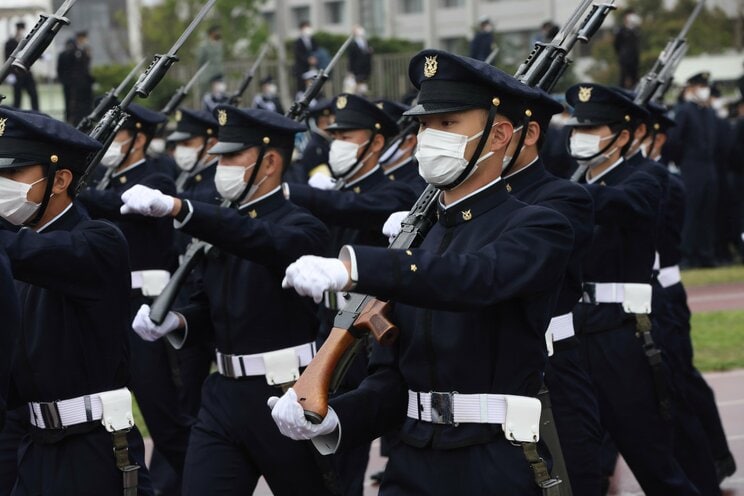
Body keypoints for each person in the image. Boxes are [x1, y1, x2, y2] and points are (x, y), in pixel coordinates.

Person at [271, 49, 575, 495]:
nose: (429, 136)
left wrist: (357, 265)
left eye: (447, 124)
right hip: (411, 462)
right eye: (424, 125)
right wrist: (334, 417)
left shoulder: (539, 225)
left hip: (494, 460)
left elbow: (473, 278)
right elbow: (395, 379)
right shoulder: (422, 240)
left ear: (500, 135)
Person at [118, 106, 335, 495]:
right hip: (223, 395)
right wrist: (177, 321)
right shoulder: (224, 224)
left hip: (285, 394)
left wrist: (181, 208)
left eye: (233, 156)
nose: (222, 165)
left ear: (269, 162)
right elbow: (209, 303)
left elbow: (257, 239)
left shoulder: (303, 228)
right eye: (219, 156)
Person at [0, 106, 153, 495]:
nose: (2, 183)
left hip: (95, 448)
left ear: (60, 179)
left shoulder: (98, 241)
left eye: (12, 173)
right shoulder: (20, 251)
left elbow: (29, 253)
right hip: (34, 444)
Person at [565, 83, 700, 495]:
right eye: (577, 128)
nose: (580, 135)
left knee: (651, 457)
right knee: (577, 461)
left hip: (626, 332)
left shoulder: (649, 177)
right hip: (574, 330)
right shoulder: (574, 181)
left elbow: (622, 205)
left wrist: (556, 195)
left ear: (623, 136)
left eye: (594, 128)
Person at [77, 104, 191, 496]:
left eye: (118, 138)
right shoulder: (105, 182)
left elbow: (122, 205)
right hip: (109, 305)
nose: (109, 147)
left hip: (146, 305)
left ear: (139, 139)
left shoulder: (156, 178)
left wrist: (81, 190)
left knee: (163, 416)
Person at [500, 91, 601, 496]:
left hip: (550, 368)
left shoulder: (562, 197)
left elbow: (509, 263)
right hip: (487, 373)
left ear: (529, 134)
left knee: (567, 479)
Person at [664, 72, 719, 268]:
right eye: (700, 86)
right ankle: (686, 255)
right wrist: (680, 161)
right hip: (691, 166)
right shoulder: (684, 111)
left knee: (707, 211)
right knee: (691, 212)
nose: (704, 90)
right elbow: (674, 140)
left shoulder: (710, 112)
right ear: (691, 88)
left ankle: (706, 254)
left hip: (709, 167)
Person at [375, 99, 426, 194]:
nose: (377, 144)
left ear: (409, 142)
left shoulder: (419, 184)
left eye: (387, 139)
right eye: (373, 139)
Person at [286, 99, 335, 184]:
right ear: (323, 121)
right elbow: (322, 182)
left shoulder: (324, 143)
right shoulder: (316, 148)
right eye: (332, 118)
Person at [60, 31, 95, 126]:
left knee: (86, 103)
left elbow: (86, 66)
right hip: (75, 83)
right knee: (74, 104)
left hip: (85, 83)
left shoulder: (85, 50)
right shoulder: (73, 51)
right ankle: (73, 121)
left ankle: (87, 119)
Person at [4, 22, 39, 111]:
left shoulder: (28, 41)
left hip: (26, 72)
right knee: (17, 97)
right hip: (16, 73)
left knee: (33, 94)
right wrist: (9, 74)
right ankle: (16, 115)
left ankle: (36, 113)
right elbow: (7, 58)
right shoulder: (10, 42)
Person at [613, 10, 641, 89]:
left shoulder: (635, 31)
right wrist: (622, 54)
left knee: (635, 78)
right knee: (623, 77)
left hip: (634, 59)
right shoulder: (621, 31)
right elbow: (616, 44)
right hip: (625, 58)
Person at [196, 25, 224, 96]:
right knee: (207, 96)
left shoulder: (220, 45)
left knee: (220, 95)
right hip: (207, 77)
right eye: (216, 31)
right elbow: (200, 61)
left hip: (218, 75)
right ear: (211, 33)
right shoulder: (204, 46)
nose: (218, 33)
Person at [346, 26, 372, 96]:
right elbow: (351, 58)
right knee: (354, 89)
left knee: (362, 88)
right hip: (356, 70)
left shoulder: (366, 43)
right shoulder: (353, 44)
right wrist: (350, 71)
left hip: (365, 70)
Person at [294, 21, 318, 94]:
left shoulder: (312, 40)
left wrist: (314, 59)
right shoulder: (298, 42)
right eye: (305, 27)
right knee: (302, 88)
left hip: (312, 68)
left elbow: (316, 50)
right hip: (302, 69)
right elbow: (298, 54)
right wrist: (308, 60)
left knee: (313, 87)